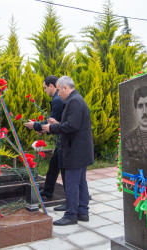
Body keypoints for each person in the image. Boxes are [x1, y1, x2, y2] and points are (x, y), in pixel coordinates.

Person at [42, 76, 94, 226]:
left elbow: (72, 126)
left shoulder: (75, 101)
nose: (58, 93)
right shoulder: (74, 100)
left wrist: (52, 127)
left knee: (72, 183)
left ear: (65, 88)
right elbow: (72, 124)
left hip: (75, 150)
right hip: (78, 149)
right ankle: (83, 212)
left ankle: (71, 214)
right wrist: (58, 124)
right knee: (80, 182)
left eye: (58, 90)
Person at [24, 75, 65, 203]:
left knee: (60, 168)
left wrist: (35, 126)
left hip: (64, 140)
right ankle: (48, 191)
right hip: (63, 138)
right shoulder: (57, 99)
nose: (45, 91)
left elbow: (54, 123)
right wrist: (42, 129)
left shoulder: (57, 100)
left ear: (51, 86)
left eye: (45, 88)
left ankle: (64, 197)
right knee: (54, 164)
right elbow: (54, 124)